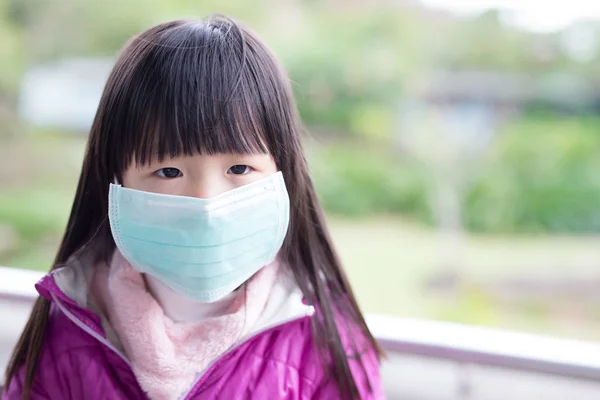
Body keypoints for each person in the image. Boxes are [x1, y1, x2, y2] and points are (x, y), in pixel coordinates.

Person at [3, 15, 384, 400]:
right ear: (114, 179)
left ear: (283, 172)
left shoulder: (326, 343)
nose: (206, 203)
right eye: (168, 171)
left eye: (238, 168)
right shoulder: (66, 329)